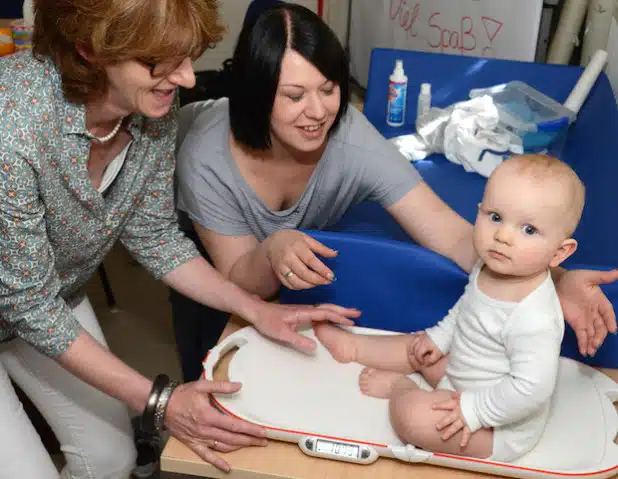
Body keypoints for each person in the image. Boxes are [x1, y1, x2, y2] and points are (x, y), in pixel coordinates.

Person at [0, 0, 362, 477]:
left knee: (111, 457)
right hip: (31, 301)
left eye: (188, 56)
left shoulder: (151, 107)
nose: (189, 79)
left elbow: (155, 236)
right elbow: (29, 305)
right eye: (160, 63)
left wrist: (256, 309)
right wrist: (162, 402)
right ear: (90, 49)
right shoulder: (13, 127)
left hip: (48, 295)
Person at [172, 1, 618, 384]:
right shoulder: (206, 156)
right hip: (205, 250)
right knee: (208, 354)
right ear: (256, 95)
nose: (317, 112)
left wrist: (554, 280)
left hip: (276, 251)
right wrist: (272, 250)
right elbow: (237, 281)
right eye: (293, 96)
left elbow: (454, 237)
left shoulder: (351, 137)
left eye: (328, 90)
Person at [315, 154, 584, 461]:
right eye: (496, 217)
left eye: (529, 230)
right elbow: (466, 311)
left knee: (413, 420)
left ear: (560, 252)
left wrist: (474, 411)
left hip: (497, 426)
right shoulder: (488, 266)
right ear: (479, 212)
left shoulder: (535, 317)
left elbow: (530, 390)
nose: (503, 236)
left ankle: (402, 387)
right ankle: (353, 345)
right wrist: (439, 338)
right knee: (418, 345)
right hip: (461, 375)